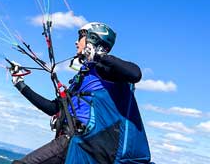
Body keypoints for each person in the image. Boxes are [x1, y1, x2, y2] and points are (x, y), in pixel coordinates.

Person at [10, 23, 151, 164]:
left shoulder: (105, 71)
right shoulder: (81, 78)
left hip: (73, 143)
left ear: (93, 39)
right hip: (74, 146)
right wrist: (20, 84)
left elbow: (135, 74)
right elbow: (53, 108)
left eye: (81, 37)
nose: (76, 42)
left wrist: (100, 56)